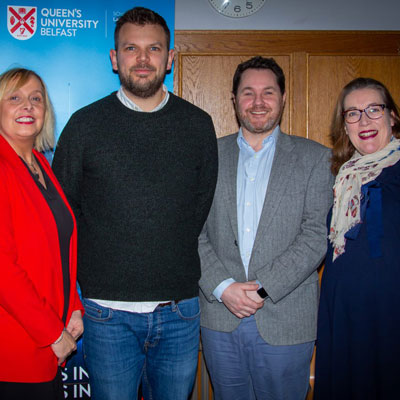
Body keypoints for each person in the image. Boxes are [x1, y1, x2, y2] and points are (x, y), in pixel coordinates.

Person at [52, 6, 218, 400]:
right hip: (105, 313)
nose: (143, 59)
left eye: (154, 49)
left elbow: (199, 206)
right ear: (114, 58)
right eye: (131, 48)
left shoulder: (197, 125)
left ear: (170, 58)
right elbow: (63, 216)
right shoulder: (85, 124)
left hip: (179, 309)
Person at [198, 56, 333, 400]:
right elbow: (190, 231)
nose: (258, 102)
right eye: (248, 93)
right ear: (234, 99)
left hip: (286, 319)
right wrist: (224, 287)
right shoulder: (206, 156)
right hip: (219, 316)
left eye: (268, 92)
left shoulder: (316, 159)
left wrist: (262, 288)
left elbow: (316, 235)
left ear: (283, 98)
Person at [314, 77, 400, 400]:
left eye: (373, 110)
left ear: (392, 116)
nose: (363, 121)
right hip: (343, 317)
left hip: (389, 320)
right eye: (353, 113)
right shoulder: (342, 179)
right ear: (344, 125)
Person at [0, 68, 83, 400]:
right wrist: (51, 331)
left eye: (36, 99)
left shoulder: (38, 163)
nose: (28, 106)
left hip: (47, 338)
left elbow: (57, 248)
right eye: (15, 98)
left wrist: (72, 306)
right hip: (15, 346)